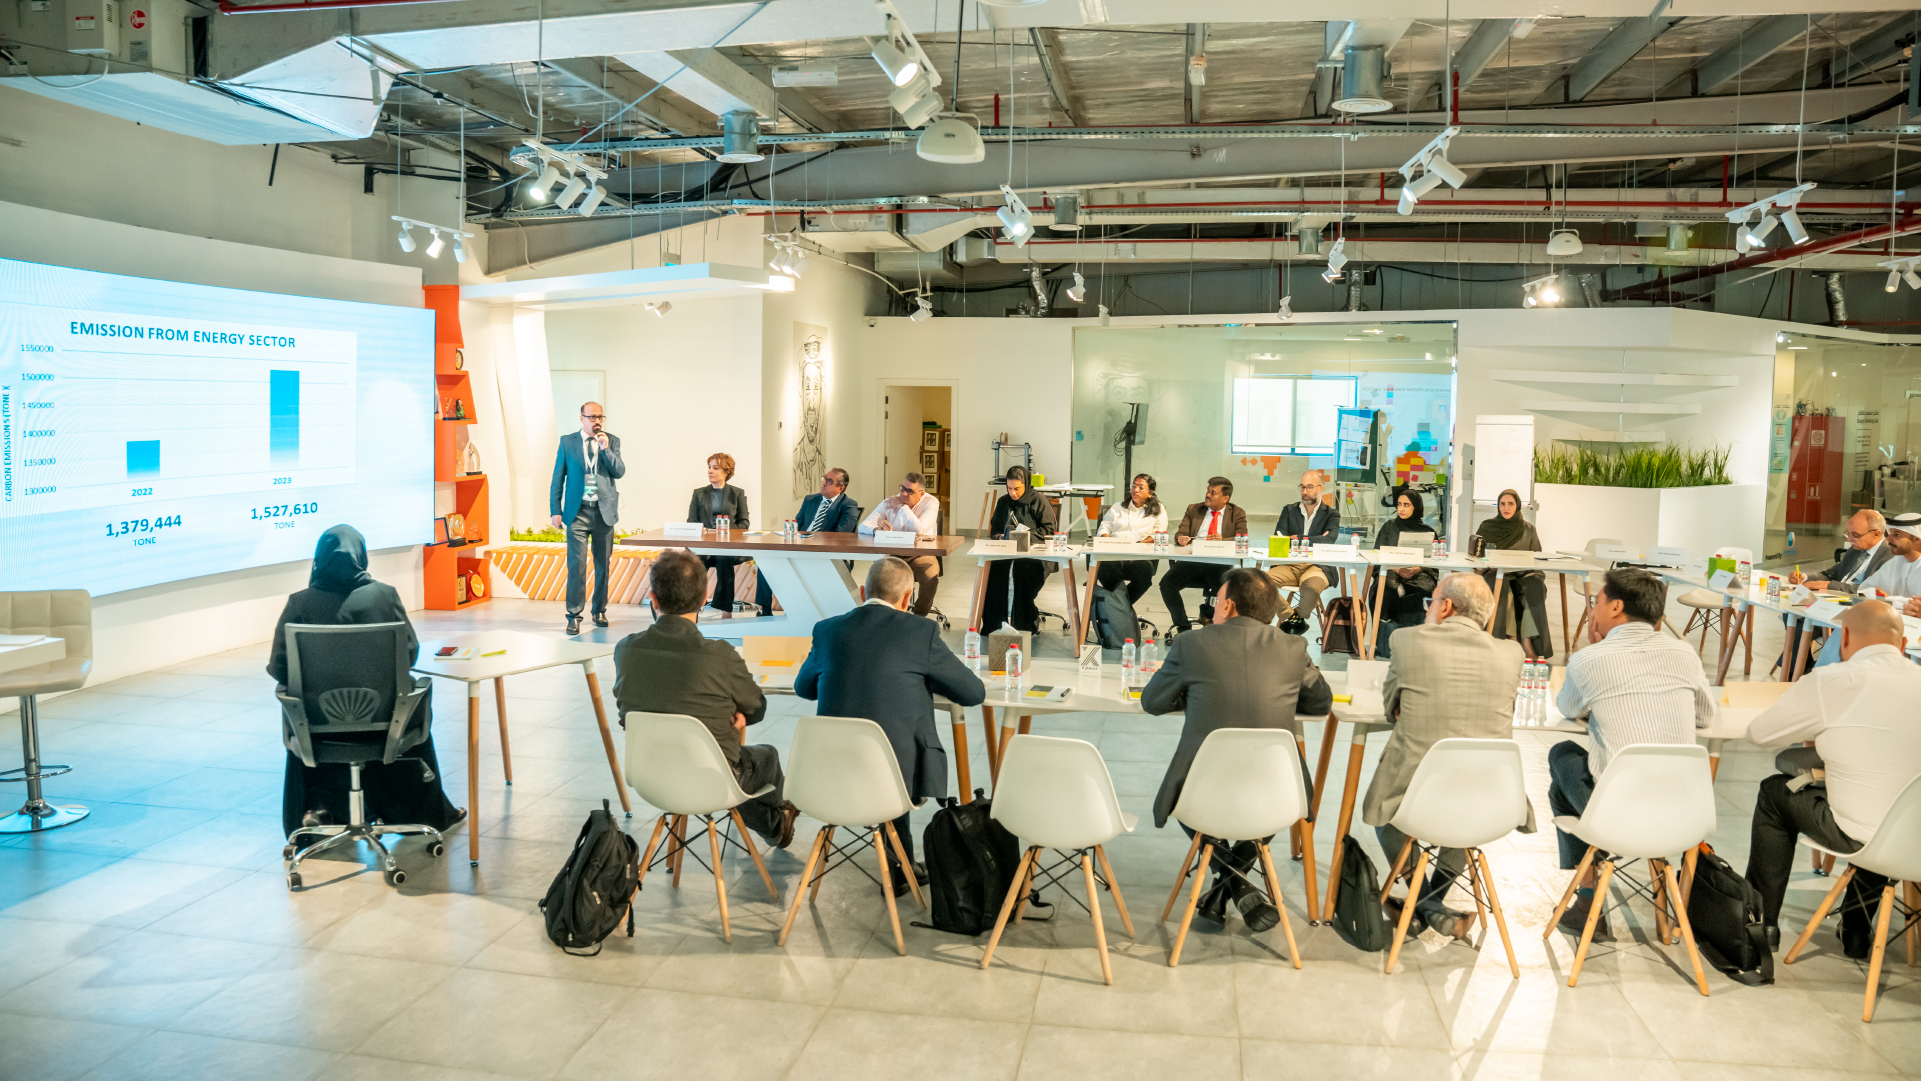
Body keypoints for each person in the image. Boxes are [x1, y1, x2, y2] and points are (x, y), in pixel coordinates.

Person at [1141, 568, 1332, 931]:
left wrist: (1192, 693)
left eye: (1217, 601)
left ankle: (1228, 880)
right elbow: (1321, 703)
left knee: (1188, 794)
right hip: (1278, 794)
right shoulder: (1293, 648)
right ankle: (1238, 884)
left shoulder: (1191, 644)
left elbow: (1152, 702)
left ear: (1228, 606)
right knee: (1269, 800)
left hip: (1200, 794)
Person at [1742, 600, 1921, 957]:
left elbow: (1759, 734)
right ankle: (1856, 930)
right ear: (1903, 644)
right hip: (1914, 837)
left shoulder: (1832, 681)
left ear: (1845, 638)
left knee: (1776, 792)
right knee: (1889, 805)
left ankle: (1760, 925)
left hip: (1863, 838)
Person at [796, 556, 986, 887]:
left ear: (863, 591)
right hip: (895, 781)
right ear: (908, 598)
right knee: (894, 747)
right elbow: (972, 692)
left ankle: (901, 866)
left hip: (829, 776)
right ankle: (899, 869)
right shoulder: (921, 631)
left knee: (882, 744)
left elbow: (804, 688)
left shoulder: (826, 630)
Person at [1362, 572, 1532, 940]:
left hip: (1416, 795)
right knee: (1466, 811)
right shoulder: (1512, 654)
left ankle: (1425, 905)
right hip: (1490, 797)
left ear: (1446, 607)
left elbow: (1391, 707)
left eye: (1432, 601)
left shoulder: (1406, 640)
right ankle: (1435, 904)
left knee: (1385, 816)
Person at [1548, 567, 1716, 940]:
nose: (1593, 608)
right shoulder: (1684, 653)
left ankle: (1589, 898)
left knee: (1562, 757)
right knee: (1568, 776)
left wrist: (1597, 675)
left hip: (1616, 817)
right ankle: (1591, 899)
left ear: (1616, 607)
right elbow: (1705, 716)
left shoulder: (1591, 659)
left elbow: (1568, 707)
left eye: (1597, 600)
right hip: (1681, 816)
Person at [271, 525, 462, 840]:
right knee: (414, 700)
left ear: (318, 559)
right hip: (387, 726)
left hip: (318, 731)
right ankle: (420, 812)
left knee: (300, 705)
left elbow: (279, 667)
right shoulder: (385, 597)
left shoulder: (299, 604)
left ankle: (321, 807)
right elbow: (409, 654)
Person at [613, 549, 797, 848]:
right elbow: (756, 708)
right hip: (711, 777)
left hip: (649, 775)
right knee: (766, 757)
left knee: (737, 763)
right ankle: (776, 826)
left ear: (653, 599)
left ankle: (776, 825)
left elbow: (628, 713)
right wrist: (732, 712)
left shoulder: (625, 650)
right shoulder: (719, 655)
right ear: (704, 598)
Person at [549, 401, 626, 635]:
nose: (597, 421)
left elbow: (619, 472)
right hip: (577, 512)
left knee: (603, 565)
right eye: (592, 417)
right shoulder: (567, 442)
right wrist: (555, 509)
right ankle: (573, 615)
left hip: (603, 513)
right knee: (576, 566)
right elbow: (558, 477)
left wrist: (605, 449)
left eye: (600, 417)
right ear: (581, 418)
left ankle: (599, 610)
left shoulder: (611, 440)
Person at [1810, 513, 1921, 668]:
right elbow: (1865, 589)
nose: (1889, 539)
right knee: (1849, 627)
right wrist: (1888, 599)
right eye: (1890, 534)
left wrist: (1892, 601)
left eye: (1897, 535)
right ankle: (1829, 676)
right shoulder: (1896, 562)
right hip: (1893, 626)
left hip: (1913, 638)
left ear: (1917, 539)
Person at [755, 467, 860, 615]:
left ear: (840, 488)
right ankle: (765, 611)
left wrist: (812, 539)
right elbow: (797, 524)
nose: (824, 483)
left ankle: (799, 612)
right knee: (766, 562)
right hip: (800, 548)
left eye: (830, 481)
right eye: (824, 478)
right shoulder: (810, 499)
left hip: (825, 554)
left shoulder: (848, 505)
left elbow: (841, 535)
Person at [1158, 476, 1249, 633]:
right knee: (1166, 584)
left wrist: (1223, 540)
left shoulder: (1237, 513)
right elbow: (1181, 531)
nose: (1208, 495)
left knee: (1223, 584)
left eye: (1213, 493)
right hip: (1192, 560)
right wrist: (1181, 538)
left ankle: (1207, 614)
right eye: (1208, 491)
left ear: (1225, 498)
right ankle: (1183, 626)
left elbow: (1242, 537)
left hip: (1218, 562)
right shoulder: (1194, 509)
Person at [1474, 488, 1553, 659]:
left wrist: (1532, 572)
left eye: (1510, 504)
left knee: (1535, 587)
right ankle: (1510, 638)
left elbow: (1537, 559)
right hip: (1495, 573)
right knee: (1502, 587)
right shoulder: (1487, 527)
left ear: (1517, 506)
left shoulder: (1529, 529)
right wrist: (1488, 566)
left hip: (1524, 574)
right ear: (1498, 506)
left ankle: (1526, 641)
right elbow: (1477, 556)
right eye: (1502, 504)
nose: (1506, 508)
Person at [980, 464, 1058, 633]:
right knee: (995, 570)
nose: (1013, 493)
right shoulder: (1003, 502)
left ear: (1026, 485)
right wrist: (1000, 537)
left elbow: (1049, 530)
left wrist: (1023, 536)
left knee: (1023, 571)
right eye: (1009, 488)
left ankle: (1025, 625)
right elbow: (995, 529)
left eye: (1017, 488)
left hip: (1034, 554)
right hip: (1007, 552)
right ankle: (995, 626)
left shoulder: (1039, 501)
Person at [858, 472, 943, 618]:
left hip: (921, 553)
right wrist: (877, 530)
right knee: (880, 576)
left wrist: (902, 507)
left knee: (930, 577)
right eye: (902, 488)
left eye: (909, 491)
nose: (903, 494)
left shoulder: (931, 502)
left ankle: (918, 617)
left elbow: (920, 529)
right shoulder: (891, 501)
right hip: (894, 554)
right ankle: (890, 616)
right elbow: (863, 526)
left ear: (921, 493)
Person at [1371, 490, 1440, 659]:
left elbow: (1433, 562)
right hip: (1392, 570)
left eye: (1406, 505)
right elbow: (1377, 554)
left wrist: (1417, 568)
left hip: (1419, 572)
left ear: (1416, 507)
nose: (1401, 509)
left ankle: (1418, 642)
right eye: (1399, 504)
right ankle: (1386, 642)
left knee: (1425, 588)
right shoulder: (1389, 528)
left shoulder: (1428, 532)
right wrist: (1397, 568)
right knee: (1389, 587)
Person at [1268, 469, 1339, 624]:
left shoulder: (1331, 514)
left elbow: (1329, 540)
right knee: (1261, 582)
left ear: (1321, 488)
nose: (1305, 491)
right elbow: (1280, 539)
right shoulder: (1289, 510)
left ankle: (1297, 620)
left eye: (1310, 487)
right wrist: (1317, 539)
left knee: (1311, 588)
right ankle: (1291, 618)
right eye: (1302, 487)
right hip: (1289, 564)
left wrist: (1296, 538)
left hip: (1317, 566)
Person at [686, 453, 752, 617]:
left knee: (724, 558)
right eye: (709, 467)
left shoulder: (737, 493)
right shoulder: (699, 493)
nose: (710, 471)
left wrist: (723, 530)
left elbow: (744, 523)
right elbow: (691, 521)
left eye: (715, 468)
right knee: (697, 560)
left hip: (728, 546)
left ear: (726, 471)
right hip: (705, 546)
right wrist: (707, 532)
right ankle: (693, 607)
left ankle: (725, 609)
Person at [1094, 472, 1168, 605]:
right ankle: (1121, 608)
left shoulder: (1158, 509)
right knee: (1104, 568)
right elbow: (1104, 528)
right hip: (1115, 553)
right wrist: (1108, 543)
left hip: (1140, 555)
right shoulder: (1118, 507)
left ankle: (1116, 607)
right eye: (1133, 486)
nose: (1135, 490)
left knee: (1144, 574)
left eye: (1141, 487)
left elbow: (1159, 534)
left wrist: (1136, 547)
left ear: (1150, 493)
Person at [1791, 509, 1890, 594]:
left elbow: (1874, 591)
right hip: (1835, 597)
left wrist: (1830, 586)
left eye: (1855, 535)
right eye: (1848, 533)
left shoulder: (1890, 556)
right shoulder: (1855, 550)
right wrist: (1804, 577)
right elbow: (1829, 575)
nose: (1849, 539)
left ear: (1876, 534)